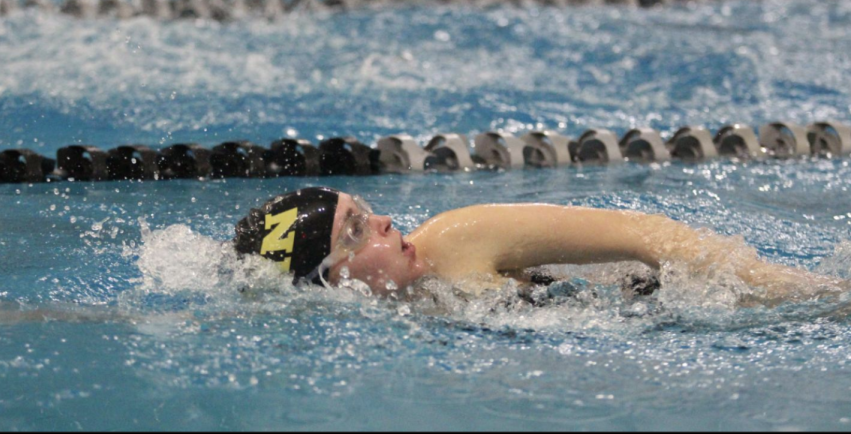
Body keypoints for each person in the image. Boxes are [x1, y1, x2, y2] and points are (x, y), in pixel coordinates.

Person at [233, 187, 849, 304]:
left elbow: (647, 234)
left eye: (365, 213)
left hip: (690, 298)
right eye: (355, 231)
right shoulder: (396, 316)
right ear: (330, 278)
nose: (386, 222)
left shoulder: (458, 237)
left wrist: (804, 292)